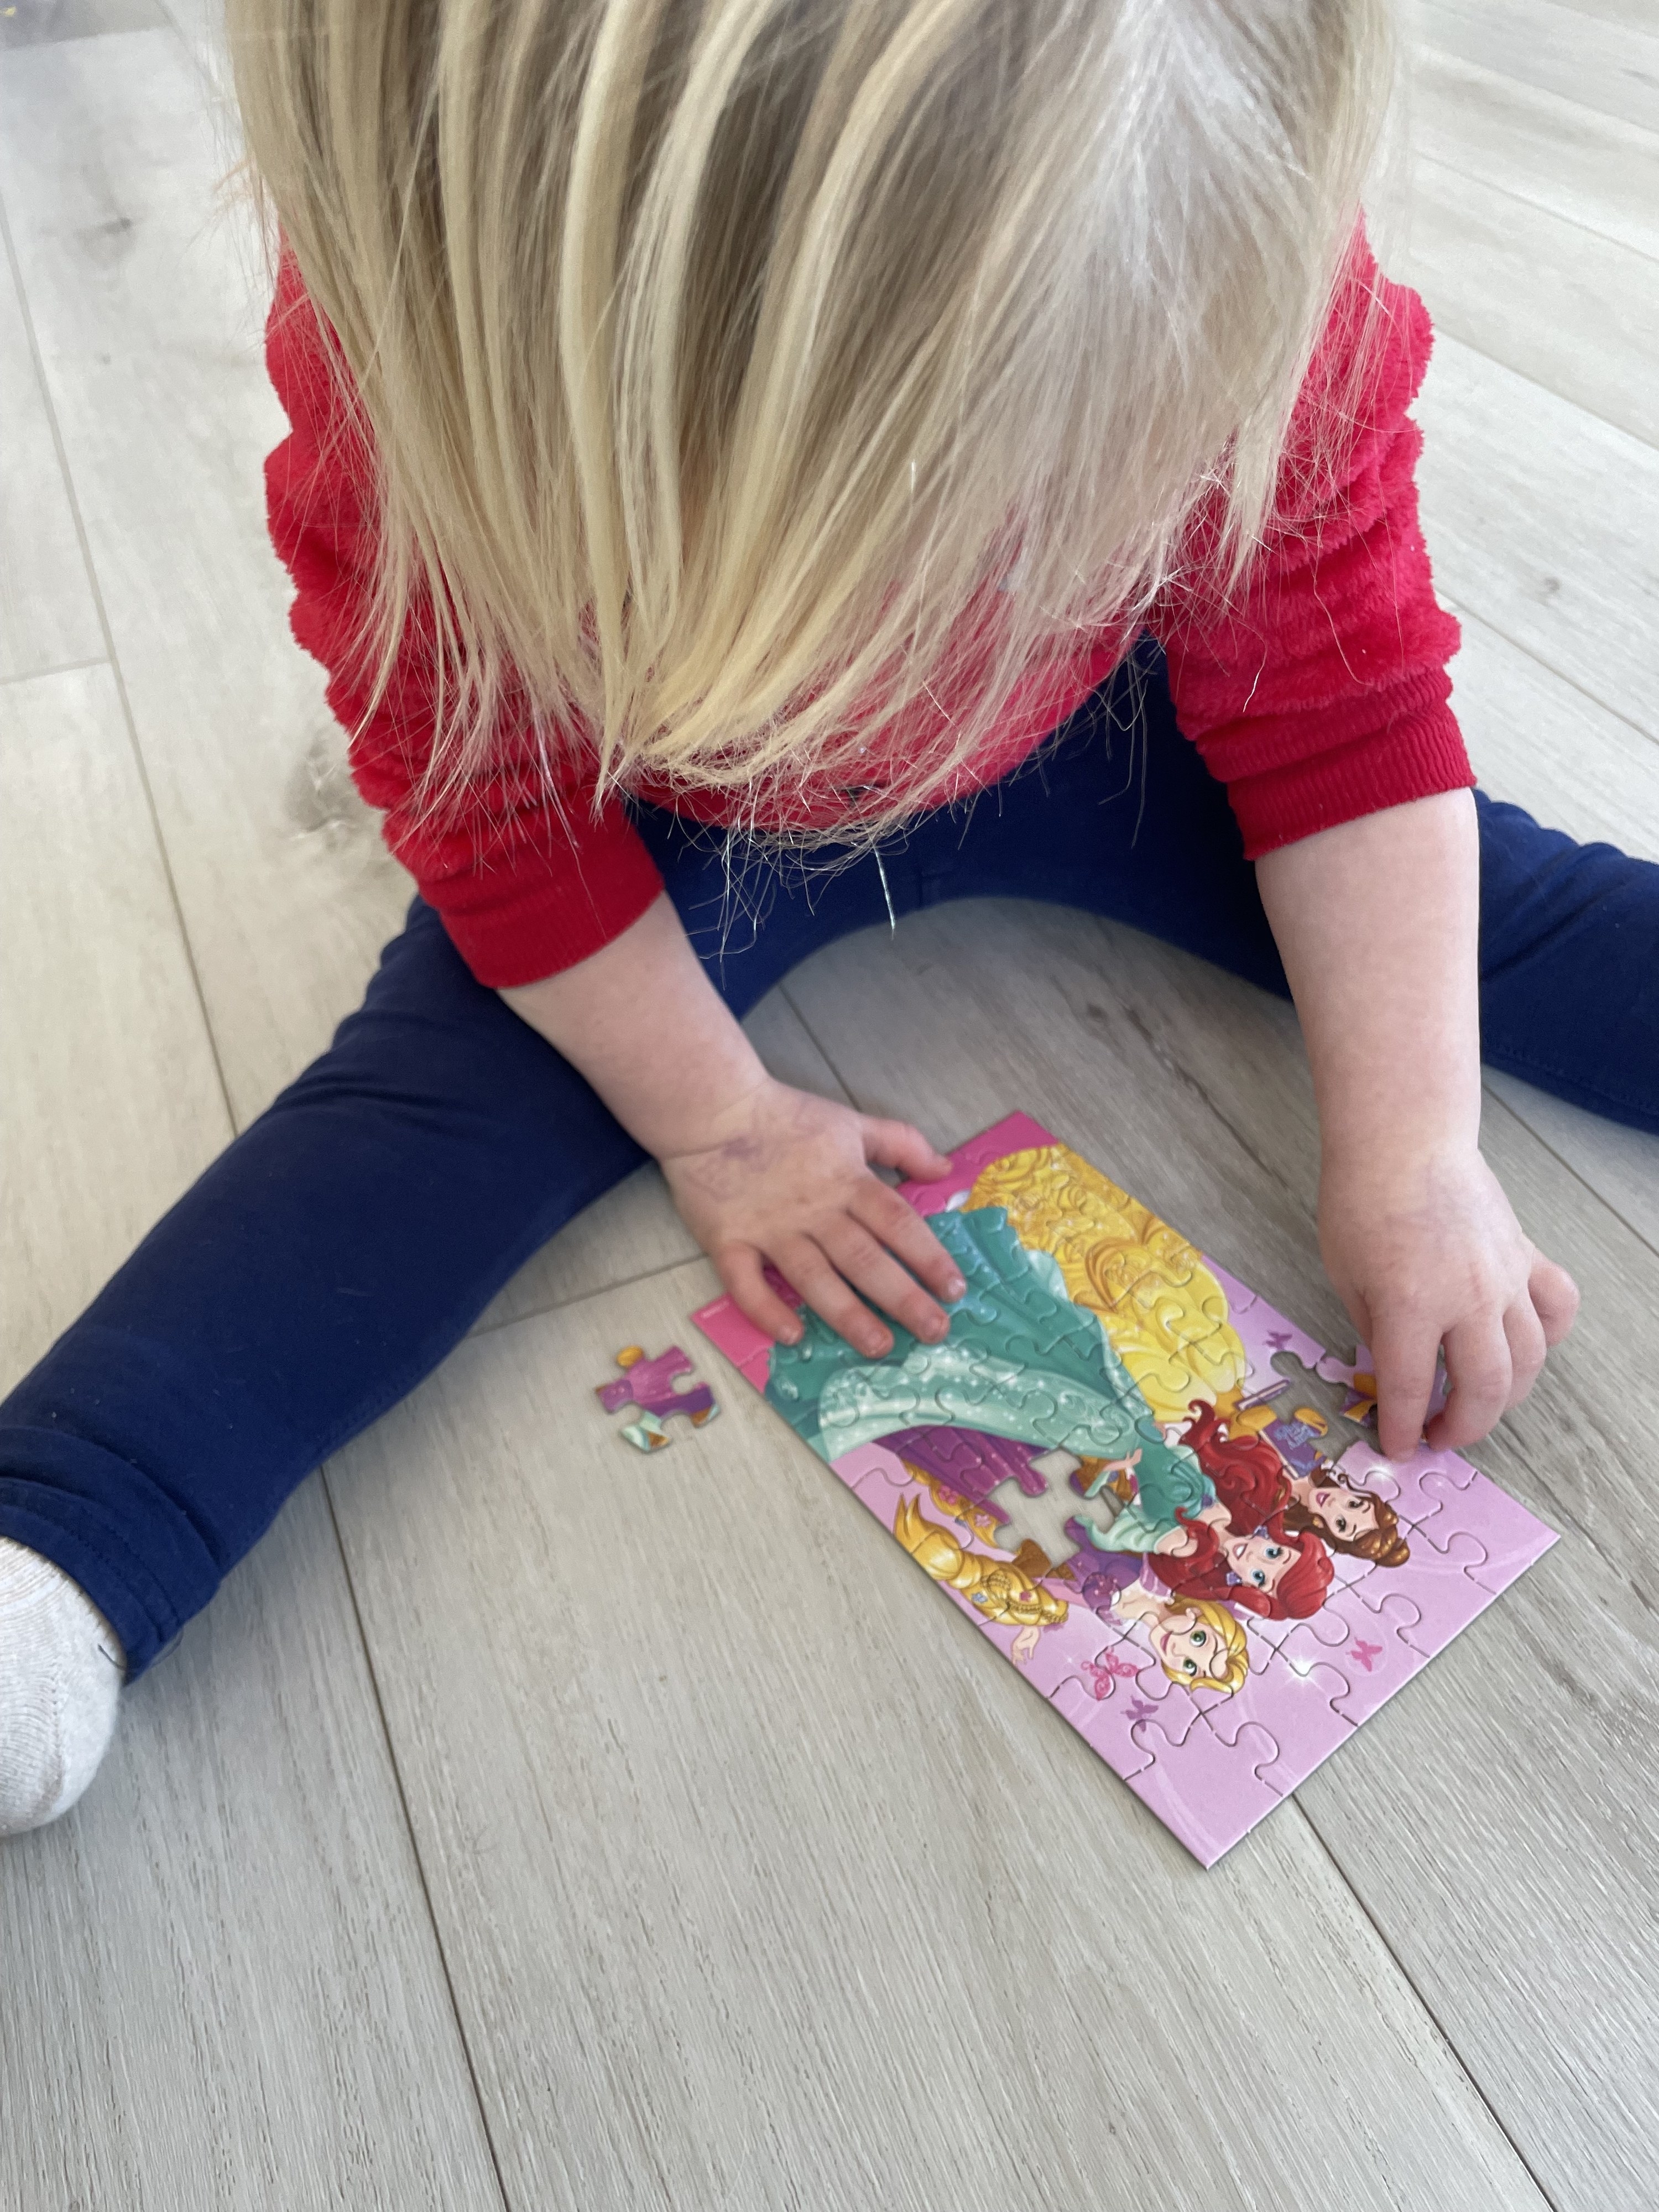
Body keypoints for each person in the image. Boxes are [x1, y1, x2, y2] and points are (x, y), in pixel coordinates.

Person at [3, 0, 1652, 1835]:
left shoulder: (1238, 244)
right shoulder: (422, 395)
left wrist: (1419, 1151)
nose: (965, 595)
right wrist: (717, 1121)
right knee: (432, 1110)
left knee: (1482, 922)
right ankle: (67, 1526)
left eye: (1066, 518)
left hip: (1110, 740)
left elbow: (1349, 722)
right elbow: (492, 815)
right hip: (654, 807)